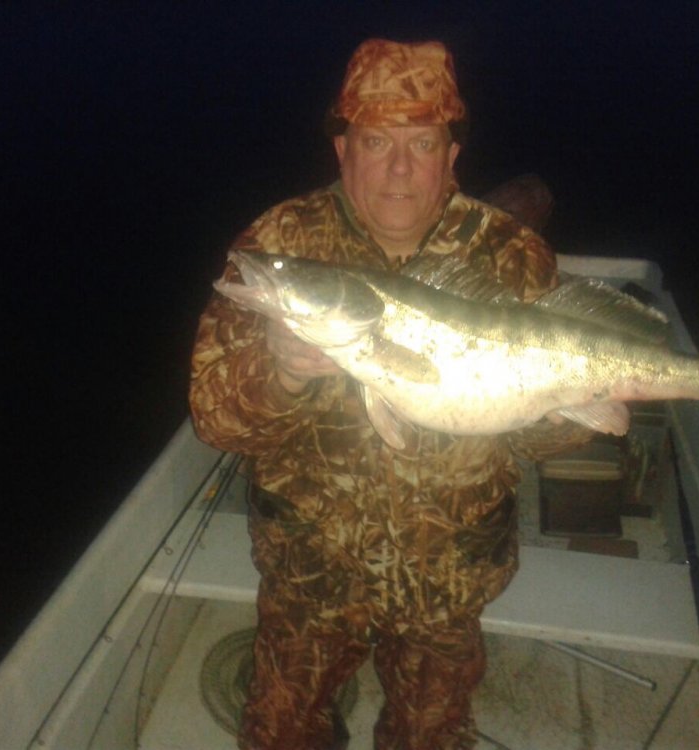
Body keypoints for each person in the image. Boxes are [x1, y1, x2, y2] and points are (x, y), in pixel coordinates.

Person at [190, 38, 590, 750]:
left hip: (448, 576)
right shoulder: (282, 243)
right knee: (278, 735)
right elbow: (214, 418)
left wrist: (566, 410)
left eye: (422, 143)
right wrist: (281, 373)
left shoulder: (509, 253)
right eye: (377, 142)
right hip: (309, 572)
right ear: (343, 150)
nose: (399, 168)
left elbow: (546, 438)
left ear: (451, 156)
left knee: (430, 738)